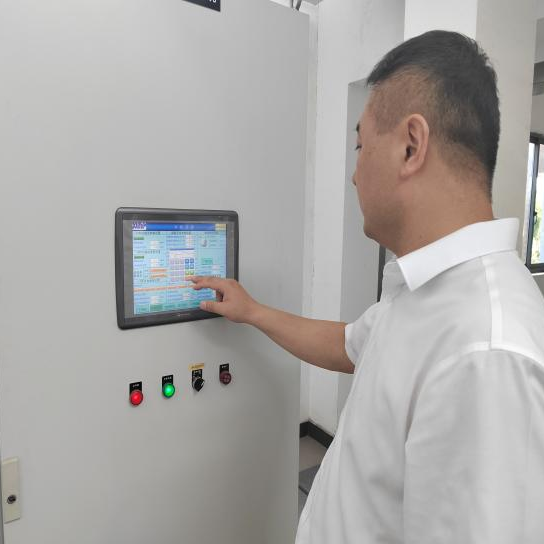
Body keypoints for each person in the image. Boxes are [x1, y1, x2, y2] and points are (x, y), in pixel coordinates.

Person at [189, 30, 544, 543]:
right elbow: (348, 344)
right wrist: (253, 311)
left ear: (411, 146)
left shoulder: (486, 352)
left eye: (360, 146)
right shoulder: (423, 292)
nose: (354, 176)